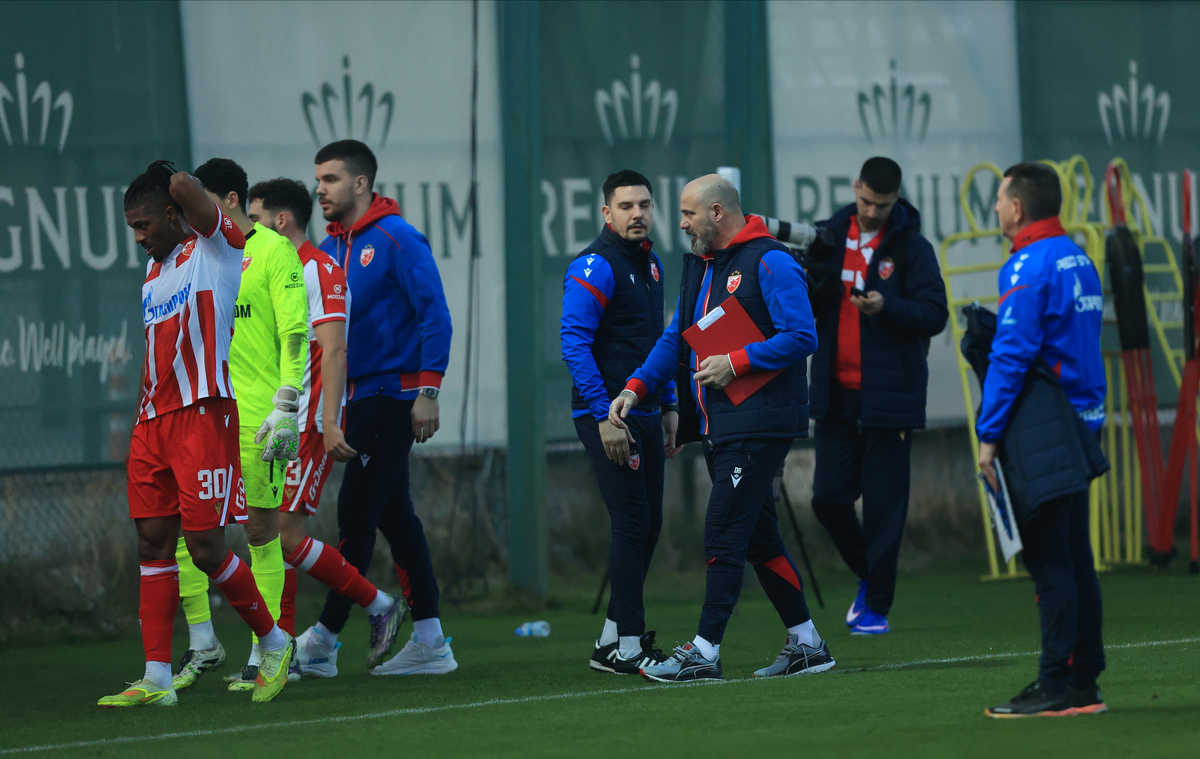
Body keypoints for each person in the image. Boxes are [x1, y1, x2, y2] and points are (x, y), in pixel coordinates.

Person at [610, 174, 832, 683]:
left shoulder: (770, 260)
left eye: (688, 214)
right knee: (760, 541)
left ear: (716, 213)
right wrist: (634, 389)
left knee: (722, 532)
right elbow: (675, 341)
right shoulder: (704, 268)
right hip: (724, 424)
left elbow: (803, 336)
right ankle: (807, 643)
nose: (681, 223)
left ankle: (704, 652)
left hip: (759, 425)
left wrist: (736, 361)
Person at [100, 161, 292, 707]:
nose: (138, 237)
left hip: (202, 414)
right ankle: (157, 678)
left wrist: (166, 172)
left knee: (207, 548)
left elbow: (187, 191)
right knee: (153, 543)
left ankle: (275, 643)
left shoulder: (218, 250)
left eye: (144, 224)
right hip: (151, 423)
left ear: (173, 213)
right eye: (130, 227)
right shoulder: (155, 271)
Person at [295, 139, 457, 676]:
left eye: (332, 179)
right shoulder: (330, 248)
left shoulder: (397, 237)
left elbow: (435, 314)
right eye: (318, 180)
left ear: (360, 184)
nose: (321, 189)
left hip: (392, 396)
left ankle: (323, 640)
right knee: (395, 517)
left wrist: (427, 392)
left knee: (356, 514)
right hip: (358, 399)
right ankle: (431, 640)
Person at [247, 177, 404, 678]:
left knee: (285, 537)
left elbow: (334, 349)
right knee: (270, 535)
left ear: (281, 220)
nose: (248, 230)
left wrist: (329, 421)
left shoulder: (320, 270)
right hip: (276, 420)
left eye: (255, 220)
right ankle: (286, 653)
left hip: (308, 423)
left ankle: (377, 603)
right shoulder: (271, 267)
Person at [165, 158, 309, 692]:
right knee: (189, 530)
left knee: (259, 532)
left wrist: (287, 400)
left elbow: (297, 330)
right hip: (203, 419)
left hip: (257, 419)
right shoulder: (196, 254)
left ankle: (264, 651)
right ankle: (203, 642)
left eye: (196, 201)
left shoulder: (274, 250)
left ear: (225, 199)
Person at [979, 162, 1107, 718]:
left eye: (1001, 199)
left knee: (1050, 561)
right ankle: (1082, 684)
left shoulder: (1028, 264)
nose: (997, 208)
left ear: (1018, 207)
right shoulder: (1078, 255)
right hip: (1083, 420)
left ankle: (1055, 683)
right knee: (1076, 558)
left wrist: (988, 436)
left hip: (1045, 429)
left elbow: (1012, 356)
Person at [803, 156, 949, 635]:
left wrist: (888, 307)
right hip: (835, 392)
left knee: (886, 507)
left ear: (895, 200)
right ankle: (871, 573)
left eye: (881, 205)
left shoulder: (912, 247)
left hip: (890, 397)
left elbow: (934, 315)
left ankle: (876, 605)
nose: (871, 212)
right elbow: (804, 300)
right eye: (866, 201)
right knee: (827, 499)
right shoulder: (826, 236)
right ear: (855, 188)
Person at [561, 170, 677, 675]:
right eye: (626, 206)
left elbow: (660, 342)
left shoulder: (651, 265)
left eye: (644, 205)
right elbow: (573, 342)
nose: (637, 214)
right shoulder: (594, 265)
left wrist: (671, 404)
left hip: (648, 412)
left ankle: (611, 639)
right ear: (606, 213)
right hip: (609, 417)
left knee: (648, 526)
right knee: (632, 525)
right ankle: (629, 647)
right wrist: (601, 413)